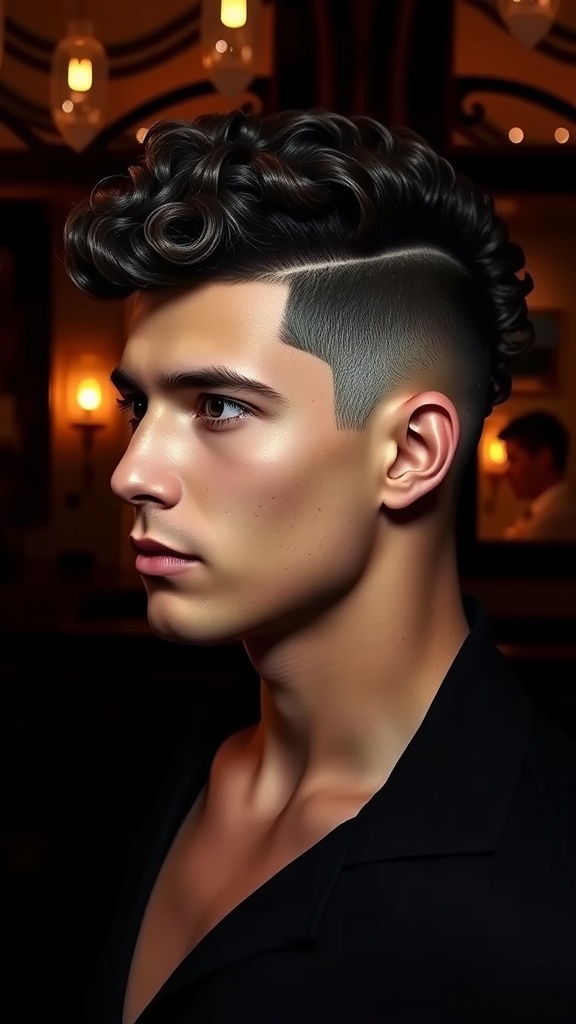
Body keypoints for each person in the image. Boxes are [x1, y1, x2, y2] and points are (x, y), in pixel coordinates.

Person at [64, 110, 576, 1023]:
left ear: (413, 451)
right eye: (140, 405)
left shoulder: (533, 910)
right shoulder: (167, 768)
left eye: (218, 405)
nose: (131, 470)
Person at [499, 410, 576, 541]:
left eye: (513, 459)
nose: (507, 472)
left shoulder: (557, 521)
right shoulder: (544, 512)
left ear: (544, 459)